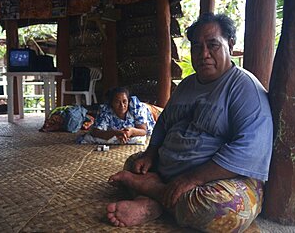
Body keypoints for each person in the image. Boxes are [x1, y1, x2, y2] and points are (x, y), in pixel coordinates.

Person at [106, 13, 273, 232]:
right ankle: (158, 200)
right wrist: (150, 154)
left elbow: (250, 150)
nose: (204, 54)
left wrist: (192, 178)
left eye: (212, 45)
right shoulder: (186, 85)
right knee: (134, 164)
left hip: (215, 179)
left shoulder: (244, 87)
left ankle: (152, 193)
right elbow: (164, 123)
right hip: (172, 171)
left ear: (230, 45)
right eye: (196, 47)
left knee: (221, 210)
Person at [81, 87, 156, 144]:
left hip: (150, 111)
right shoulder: (105, 110)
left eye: (124, 101)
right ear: (111, 103)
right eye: (117, 102)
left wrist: (132, 131)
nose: (122, 105)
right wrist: (116, 133)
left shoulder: (137, 107)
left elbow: (143, 130)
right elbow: (96, 132)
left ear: (128, 101)